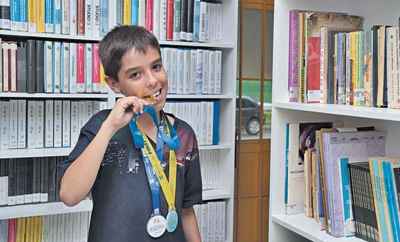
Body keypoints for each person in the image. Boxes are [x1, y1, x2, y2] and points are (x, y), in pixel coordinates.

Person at [59, 25, 202, 242]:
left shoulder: (183, 135)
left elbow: (186, 211)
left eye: (156, 67)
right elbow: (69, 195)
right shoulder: (101, 127)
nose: (153, 80)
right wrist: (109, 127)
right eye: (135, 74)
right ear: (114, 84)